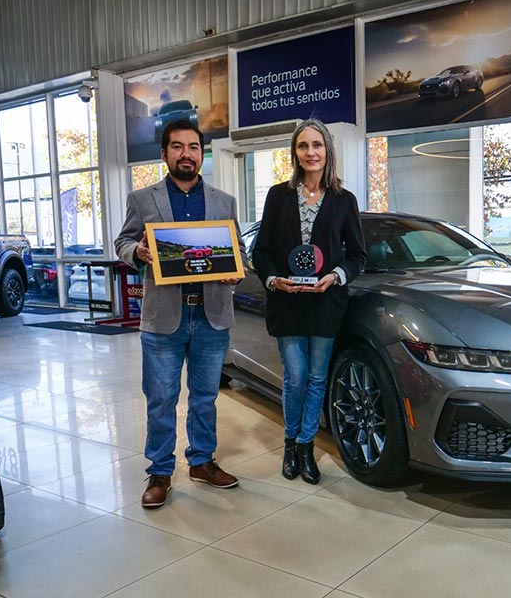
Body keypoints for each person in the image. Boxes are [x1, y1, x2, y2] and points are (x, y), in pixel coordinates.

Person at [115, 119, 245, 509]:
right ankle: (159, 472)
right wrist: (135, 252)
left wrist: (236, 268)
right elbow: (122, 240)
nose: (186, 153)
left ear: (202, 153)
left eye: (193, 147)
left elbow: (235, 247)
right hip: (164, 317)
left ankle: (202, 462)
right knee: (161, 398)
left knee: (205, 396)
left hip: (211, 316)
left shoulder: (224, 201)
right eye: (177, 147)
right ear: (164, 154)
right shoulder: (142, 199)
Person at [253, 119, 366, 485]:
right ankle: (290, 442)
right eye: (303, 146)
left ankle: (306, 445)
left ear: (327, 150)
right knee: (295, 377)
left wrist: (336, 275)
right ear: (295, 152)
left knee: (317, 377)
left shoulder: (344, 201)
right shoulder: (278, 195)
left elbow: (358, 256)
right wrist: (273, 279)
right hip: (287, 302)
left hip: (324, 303)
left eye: (317, 145)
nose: (310, 152)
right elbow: (263, 250)